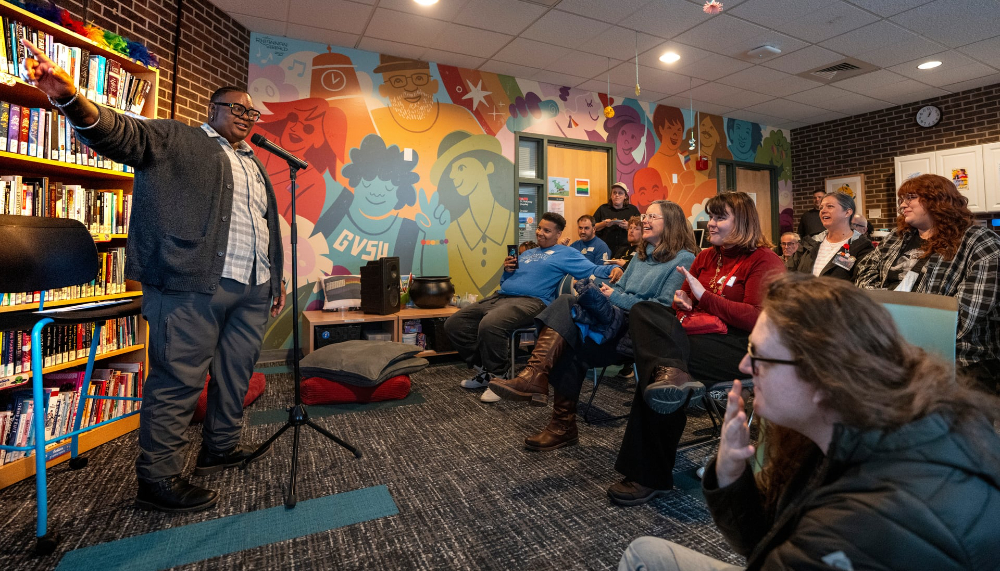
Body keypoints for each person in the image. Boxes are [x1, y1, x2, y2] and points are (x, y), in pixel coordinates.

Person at [19, 40, 287, 513]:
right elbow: (119, 134)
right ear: (213, 109)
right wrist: (70, 98)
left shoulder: (254, 163)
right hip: (189, 283)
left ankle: (220, 448)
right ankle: (158, 479)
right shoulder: (175, 138)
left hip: (253, 286)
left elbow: (265, 224)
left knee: (236, 373)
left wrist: (276, 276)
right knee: (178, 380)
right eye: (238, 108)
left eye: (253, 112)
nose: (247, 117)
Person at [619, 274, 1000, 571]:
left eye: (759, 356)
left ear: (822, 378)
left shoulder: (861, 525)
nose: (744, 366)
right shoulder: (876, 424)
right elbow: (771, 544)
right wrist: (732, 474)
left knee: (643, 555)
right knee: (646, 551)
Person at [612, 192, 785, 506]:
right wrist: (683, 301)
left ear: (742, 222)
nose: (711, 224)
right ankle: (672, 375)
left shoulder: (765, 260)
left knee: (660, 366)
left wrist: (704, 297)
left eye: (720, 217)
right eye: (711, 216)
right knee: (645, 312)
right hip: (697, 337)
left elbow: (759, 318)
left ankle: (648, 475)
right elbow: (683, 298)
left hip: (742, 348)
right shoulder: (706, 256)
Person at [488, 201, 698, 451]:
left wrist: (613, 296)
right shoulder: (641, 256)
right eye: (645, 215)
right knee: (567, 337)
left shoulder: (684, 258)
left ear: (671, 222)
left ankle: (535, 378)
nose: (644, 220)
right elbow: (619, 289)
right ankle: (560, 423)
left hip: (639, 332)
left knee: (566, 307)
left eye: (652, 216)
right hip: (613, 322)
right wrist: (606, 292)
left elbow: (661, 309)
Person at [445, 212, 622, 400]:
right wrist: (507, 270)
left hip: (533, 301)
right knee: (454, 324)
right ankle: (486, 371)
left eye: (547, 231)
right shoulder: (528, 253)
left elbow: (592, 269)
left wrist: (614, 268)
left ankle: (498, 376)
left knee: (490, 324)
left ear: (558, 234)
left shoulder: (566, 253)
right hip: (501, 296)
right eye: (539, 228)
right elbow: (505, 282)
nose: (540, 233)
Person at [856, 174, 1000, 392]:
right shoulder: (897, 237)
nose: (902, 205)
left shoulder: (979, 241)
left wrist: (886, 318)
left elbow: (963, 317)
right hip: (891, 349)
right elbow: (866, 269)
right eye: (902, 199)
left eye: (911, 197)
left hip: (957, 360)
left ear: (938, 199)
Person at [790, 192, 873, 281]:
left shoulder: (862, 247)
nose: (823, 211)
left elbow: (863, 283)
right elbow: (788, 272)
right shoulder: (809, 243)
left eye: (830, 206)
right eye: (821, 207)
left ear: (847, 212)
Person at [593, 182, 640, 254]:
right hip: (605, 248)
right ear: (611, 195)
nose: (617, 195)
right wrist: (604, 224)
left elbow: (641, 229)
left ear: (625, 196)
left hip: (627, 249)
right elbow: (592, 228)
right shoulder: (603, 209)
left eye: (620, 193)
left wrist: (628, 226)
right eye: (614, 193)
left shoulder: (632, 210)